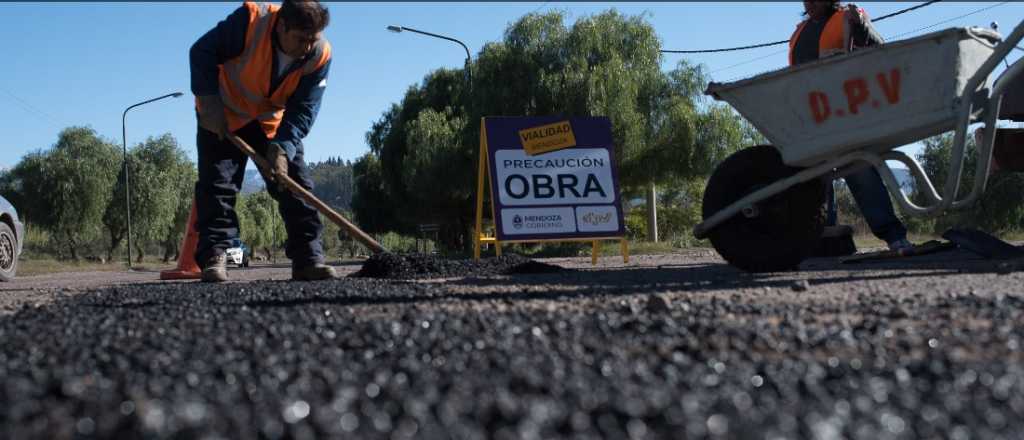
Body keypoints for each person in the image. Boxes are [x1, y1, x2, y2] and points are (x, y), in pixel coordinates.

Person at [190, 0, 336, 282]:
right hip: (223, 115)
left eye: (313, 39)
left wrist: (283, 148)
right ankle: (214, 256)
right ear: (282, 26)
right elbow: (201, 51)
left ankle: (308, 258)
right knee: (218, 184)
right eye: (301, 39)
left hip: (271, 124)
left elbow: (304, 108)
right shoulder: (250, 22)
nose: (307, 47)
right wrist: (209, 105)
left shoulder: (319, 55)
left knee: (296, 185)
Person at [789, 1, 913, 252]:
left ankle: (894, 236)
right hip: (812, 113)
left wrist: (862, 25)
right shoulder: (800, 31)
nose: (809, 3)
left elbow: (880, 48)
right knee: (814, 177)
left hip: (846, 111)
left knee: (858, 168)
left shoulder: (849, 17)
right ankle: (825, 237)